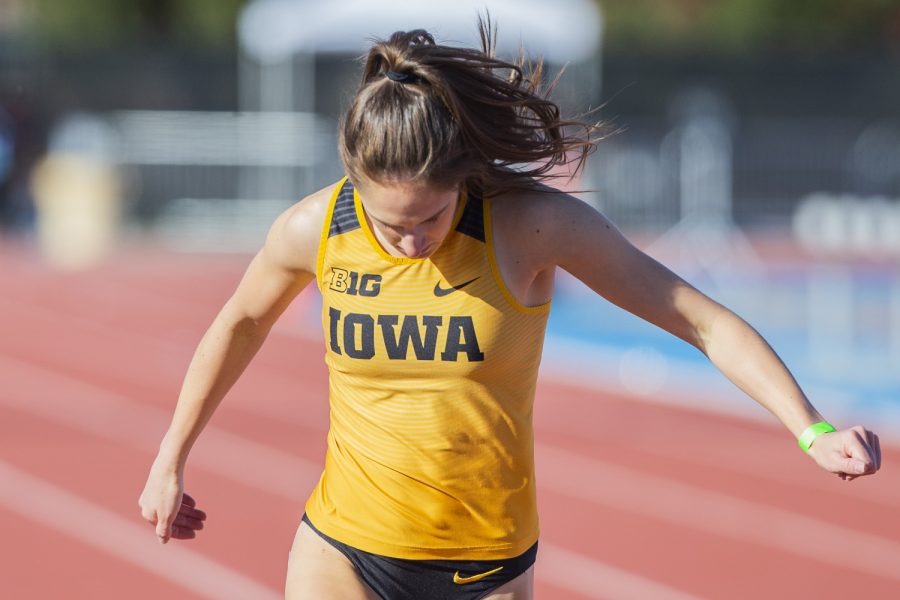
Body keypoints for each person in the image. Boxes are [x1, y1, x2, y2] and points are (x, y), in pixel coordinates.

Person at [138, 16, 882, 600]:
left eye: (428, 218)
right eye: (389, 222)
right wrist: (171, 457)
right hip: (344, 546)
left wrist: (809, 428)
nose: (408, 241)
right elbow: (241, 320)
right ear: (352, 179)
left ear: (463, 177)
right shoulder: (315, 228)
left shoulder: (528, 226)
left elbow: (699, 318)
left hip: (484, 565)